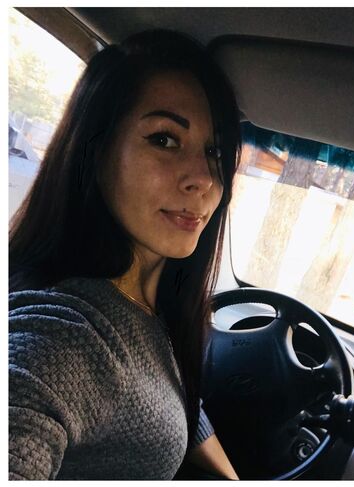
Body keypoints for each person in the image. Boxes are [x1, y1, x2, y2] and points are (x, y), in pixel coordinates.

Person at [8, 29, 241, 480]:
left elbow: (172, 401)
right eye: (165, 140)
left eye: (214, 150)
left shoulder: (151, 305)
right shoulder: (65, 337)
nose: (204, 179)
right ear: (95, 152)